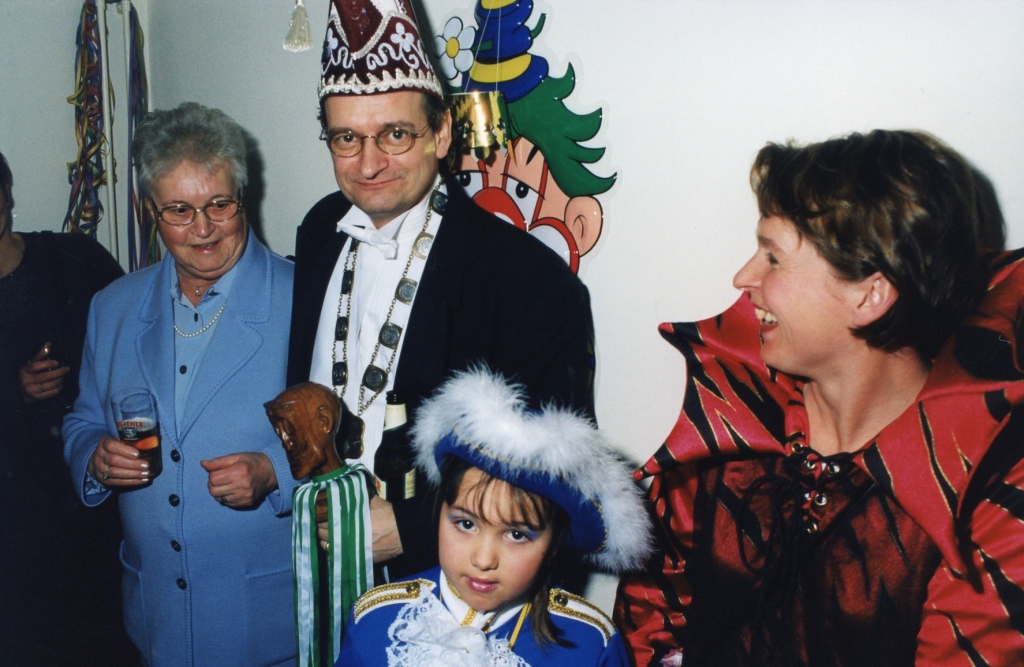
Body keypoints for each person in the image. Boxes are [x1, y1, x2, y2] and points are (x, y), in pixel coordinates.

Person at [614, 130, 1024, 666]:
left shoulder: (980, 491)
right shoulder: (732, 428)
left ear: (870, 294)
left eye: (773, 257)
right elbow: (649, 624)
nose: (743, 278)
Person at [289, 0, 595, 603]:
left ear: (443, 133)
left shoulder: (530, 282)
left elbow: (549, 482)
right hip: (323, 583)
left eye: (395, 134)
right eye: (347, 138)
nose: (369, 163)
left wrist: (408, 527)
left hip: (455, 600)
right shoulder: (319, 230)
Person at [63, 102, 297, 667]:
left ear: (243, 197)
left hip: (269, 621)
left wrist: (275, 472)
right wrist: (93, 455)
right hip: (156, 619)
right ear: (150, 210)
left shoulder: (305, 298)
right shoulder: (113, 307)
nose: (203, 228)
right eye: (179, 210)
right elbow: (83, 418)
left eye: (219, 204)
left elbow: (354, 438)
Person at [337, 368, 650, 666]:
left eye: (517, 534)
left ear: (554, 543)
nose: (484, 560)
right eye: (466, 524)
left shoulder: (590, 646)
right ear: (440, 512)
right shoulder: (375, 620)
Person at [0, 150, 136, 665]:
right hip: (14, 525)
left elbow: (136, 334)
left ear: (7, 194)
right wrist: (12, 390)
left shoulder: (73, 258)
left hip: (91, 504)